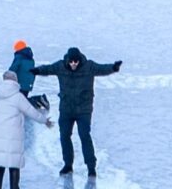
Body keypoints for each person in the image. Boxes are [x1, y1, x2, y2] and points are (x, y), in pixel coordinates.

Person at [32, 47, 121, 176]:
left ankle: (91, 167)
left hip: (84, 110)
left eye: (76, 62)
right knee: (64, 136)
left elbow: (102, 69)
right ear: (68, 60)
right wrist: (37, 71)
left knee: (84, 136)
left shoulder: (89, 66)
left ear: (79, 60)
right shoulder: (60, 66)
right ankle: (68, 165)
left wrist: (113, 67)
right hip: (66, 109)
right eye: (71, 62)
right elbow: (48, 69)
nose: (74, 64)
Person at [0, 70, 52, 189]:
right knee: (14, 164)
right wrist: (44, 121)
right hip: (12, 134)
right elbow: (31, 111)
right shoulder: (17, 96)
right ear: (14, 81)